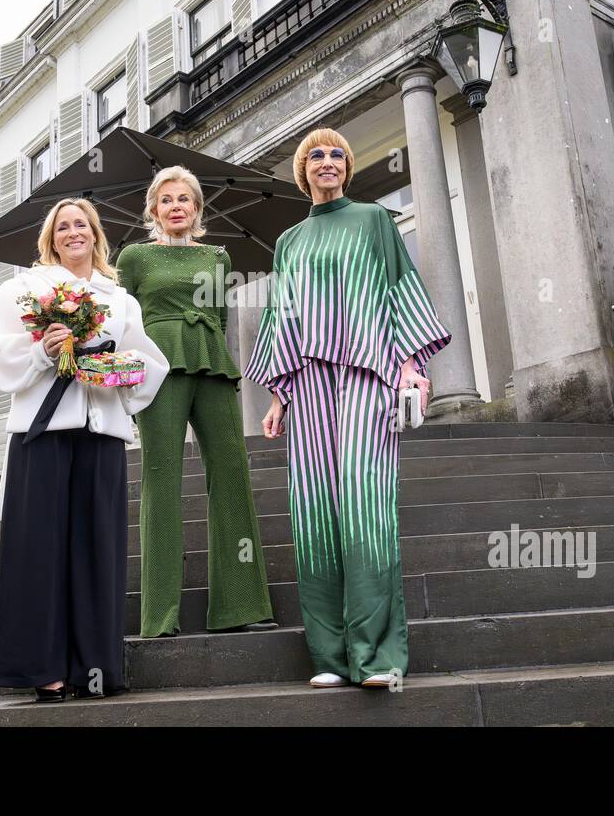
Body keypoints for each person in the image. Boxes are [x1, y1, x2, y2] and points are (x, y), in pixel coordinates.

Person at [243, 127, 451, 689]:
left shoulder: (375, 221)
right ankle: (331, 658)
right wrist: (278, 395)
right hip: (308, 382)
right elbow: (282, 315)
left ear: (349, 166)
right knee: (314, 515)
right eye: (316, 155)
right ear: (302, 170)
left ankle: (378, 656)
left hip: (368, 376)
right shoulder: (289, 242)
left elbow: (400, 288)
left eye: (337, 153)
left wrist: (412, 366)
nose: (327, 161)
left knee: (365, 509)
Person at [0, 197, 169, 702]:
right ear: (50, 238)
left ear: (96, 234)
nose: (73, 232)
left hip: (102, 430)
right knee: (37, 549)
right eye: (62, 226)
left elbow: (150, 363)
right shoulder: (23, 289)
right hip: (42, 432)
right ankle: (43, 670)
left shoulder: (119, 299)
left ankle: (94, 668)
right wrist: (43, 350)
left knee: (98, 549)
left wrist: (115, 367)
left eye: (81, 224)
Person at [116, 166, 276, 638]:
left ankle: (240, 606)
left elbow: (220, 315)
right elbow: (122, 320)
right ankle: (160, 617)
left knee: (230, 471)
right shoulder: (135, 258)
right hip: (159, 365)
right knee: (161, 477)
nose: (176, 206)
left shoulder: (219, 257)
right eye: (166, 200)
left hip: (210, 359)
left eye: (185, 198)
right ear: (153, 210)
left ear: (198, 209)